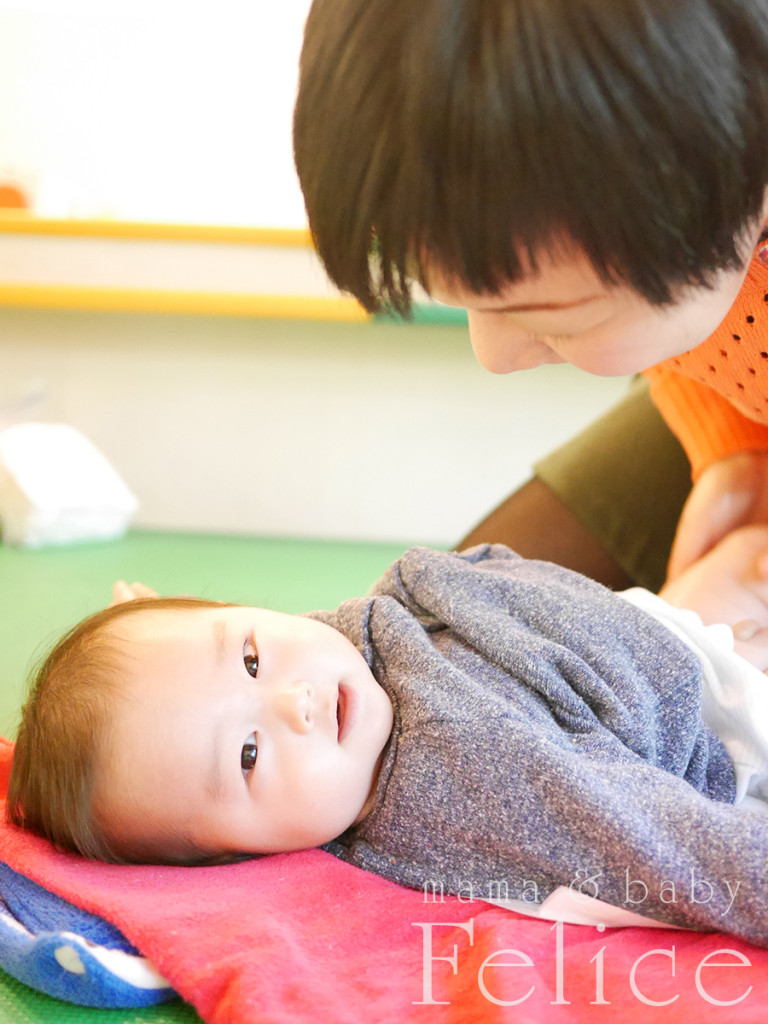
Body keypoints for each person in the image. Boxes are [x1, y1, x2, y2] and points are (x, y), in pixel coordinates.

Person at [8, 529, 768, 945]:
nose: (293, 700)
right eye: (247, 755)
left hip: (654, 642)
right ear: (237, 859)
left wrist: (162, 639)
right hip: (726, 729)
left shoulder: (329, 675)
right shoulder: (473, 779)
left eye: (248, 656)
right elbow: (666, 845)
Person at [292, 0, 768, 592]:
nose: (492, 357)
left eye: (557, 320)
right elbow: (689, 324)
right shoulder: (673, 265)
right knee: (455, 622)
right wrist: (733, 450)